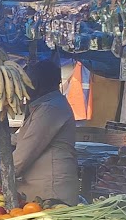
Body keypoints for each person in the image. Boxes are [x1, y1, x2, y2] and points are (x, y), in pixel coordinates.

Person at [13, 59, 78, 204]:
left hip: (51, 190)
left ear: (37, 83)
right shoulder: (44, 106)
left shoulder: (51, 108)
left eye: (27, 81)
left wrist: (0, 179)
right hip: (41, 188)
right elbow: (25, 137)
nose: (23, 86)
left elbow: (26, 151)